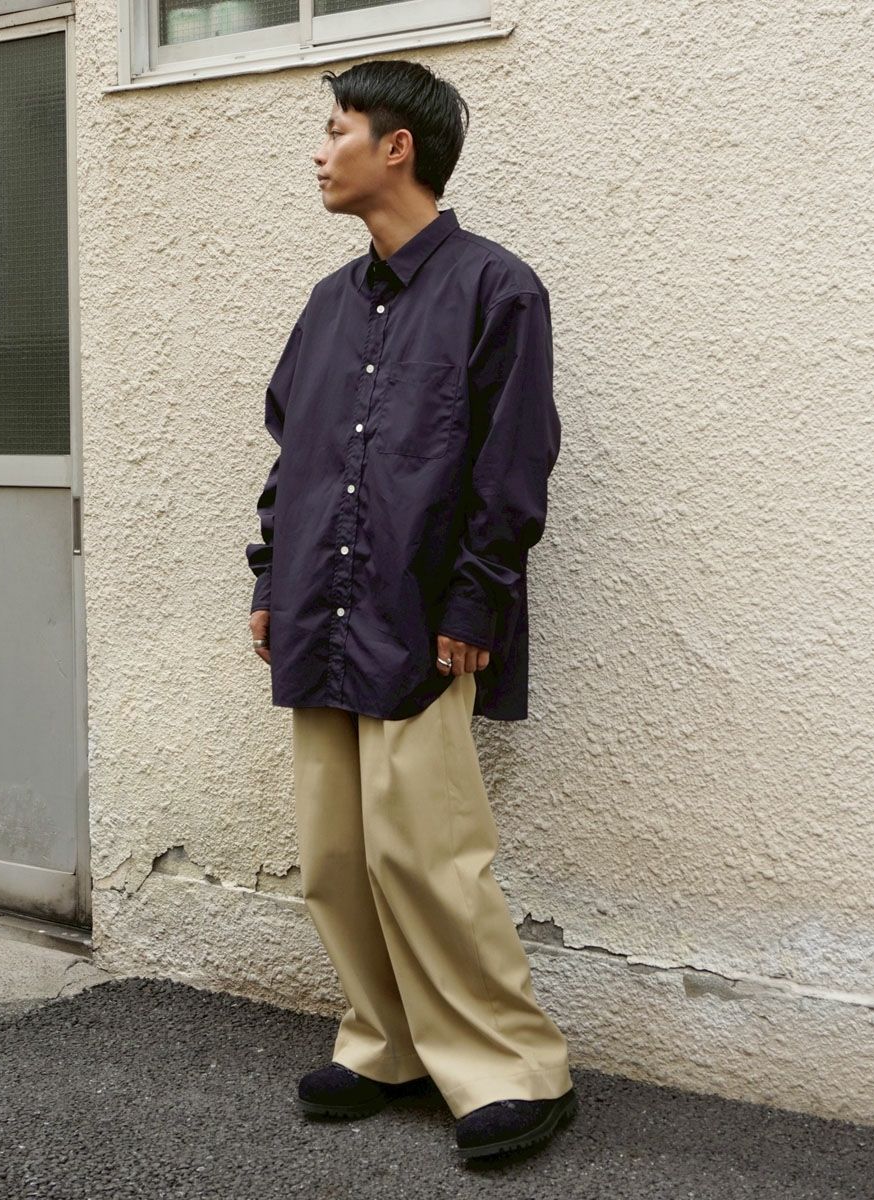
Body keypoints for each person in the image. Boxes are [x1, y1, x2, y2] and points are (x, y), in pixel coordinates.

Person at [245, 58, 576, 1161]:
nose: (319, 152)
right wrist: (269, 579)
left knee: (429, 856)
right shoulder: (325, 307)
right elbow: (295, 458)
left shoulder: (497, 290)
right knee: (338, 855)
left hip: (424, 620)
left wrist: (477, 598)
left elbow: (513, 462)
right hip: (319, 608)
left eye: (337, 130)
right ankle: (384, 1043)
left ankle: (515, 1068)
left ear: (398, 148)